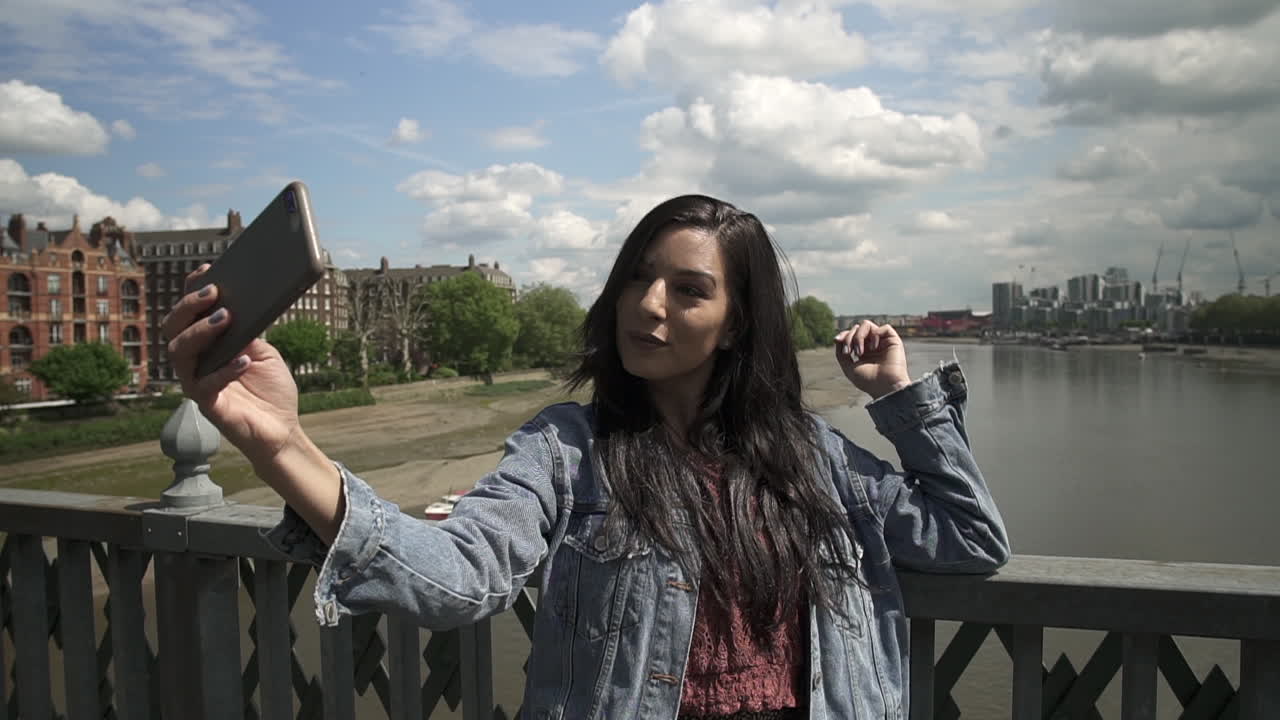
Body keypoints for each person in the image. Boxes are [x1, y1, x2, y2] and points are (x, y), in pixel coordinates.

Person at [163, 194, 1009, 720]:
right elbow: (455, 577)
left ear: (739, 322)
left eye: (689, 290)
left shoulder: (812, 455)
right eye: (638, 278)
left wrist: (899, 400)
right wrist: (277, 440)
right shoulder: (570, 446)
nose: (647, 306)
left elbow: (970, 538)